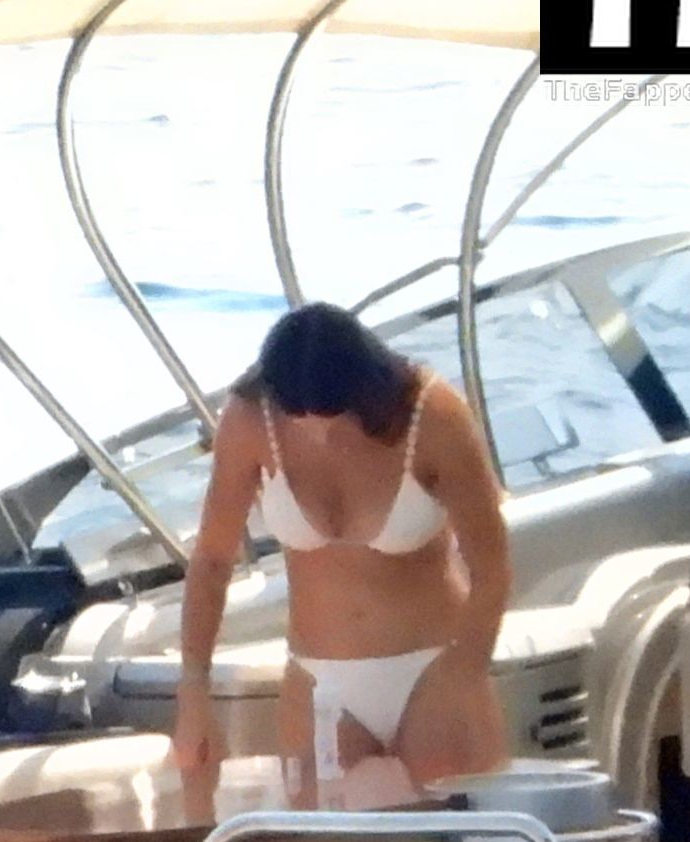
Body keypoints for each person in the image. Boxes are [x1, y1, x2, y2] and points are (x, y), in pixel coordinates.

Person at [172, 302, 511, 803]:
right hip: (319, 679)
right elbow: (212, 561)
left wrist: (465, 673)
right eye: (299, 417)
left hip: (434, 668)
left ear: (365, 390)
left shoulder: (434, 415)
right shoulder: (249, 419)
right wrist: (193, 694)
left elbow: (492, 568)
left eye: (333, 417)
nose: (317, 430)